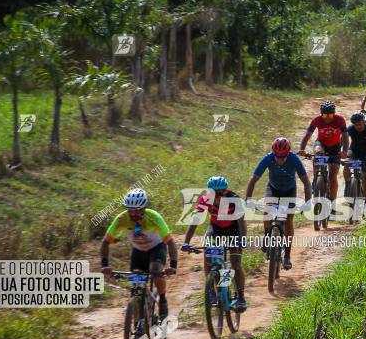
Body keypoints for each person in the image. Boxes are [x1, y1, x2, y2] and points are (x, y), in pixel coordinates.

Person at [100, 188, 177, 325]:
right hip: (138, 252)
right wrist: (104, 264)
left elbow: (170, 242)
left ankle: (163, 299)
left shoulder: (154, 217)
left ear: (144, 208)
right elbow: (105, 242)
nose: (133, 213)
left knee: (156, 271)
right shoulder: (122, 219)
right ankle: (137, 324)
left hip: (156, 248)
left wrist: (173, 266)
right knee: (136, 288)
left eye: (137, 210)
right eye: (131, 210)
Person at [181, 176, 248, 311]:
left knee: (235, 263)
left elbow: (241, 221)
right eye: (214, 193)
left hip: (233, 230)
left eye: (220, 192)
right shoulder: (205, 199)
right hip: (215, 229)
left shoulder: (234, 198)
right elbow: (195, 220)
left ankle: (240, 297)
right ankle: (210, 289)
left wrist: (242, 238)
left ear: (225, 191)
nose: (217, 196)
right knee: (208, 256)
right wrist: (186, 242)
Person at [245, 138, 312, 270]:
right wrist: (248, 198)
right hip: (273, 189)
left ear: (288, 154)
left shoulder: (294, 159)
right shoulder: (268, 158)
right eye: (277, 157)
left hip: (290, 191)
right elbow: (253, 179)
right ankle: (266, 235)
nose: (280, 159)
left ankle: (287, 256)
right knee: (267, 211)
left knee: (288, 221)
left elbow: (306, 182)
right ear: (273, 154)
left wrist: (308, 202)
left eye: (283, 157)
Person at [297, 101, 348, 203]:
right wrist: (302, 149)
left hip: (335, 146)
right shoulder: (317, 120)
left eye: (330, 114)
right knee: (318, 152)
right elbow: (307, 135)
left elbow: (346, 138)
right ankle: (316, 177)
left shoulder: (340, 120)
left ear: (334, 113)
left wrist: (344, 151)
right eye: (325, 114)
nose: (327, 117)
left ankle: (332, 202)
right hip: (321, 144)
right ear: (321, 114)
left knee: (332, 176)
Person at [343, 112, 366, 204]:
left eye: (360, 124)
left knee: (365, 177)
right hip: (354, 151)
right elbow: (343, 142)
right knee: (346, 163)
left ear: (364, 121)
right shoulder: (350, 129)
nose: (358, 127)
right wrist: (340, 153)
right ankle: (348, 183)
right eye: (356, 125)